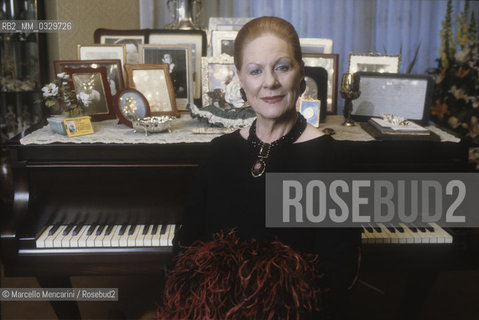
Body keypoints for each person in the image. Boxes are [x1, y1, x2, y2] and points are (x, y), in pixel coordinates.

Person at [161, 16, 361, 320]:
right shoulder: (219, 152)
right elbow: (186, 248)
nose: (270, 82)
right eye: (256, 71)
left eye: (282, 67)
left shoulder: (331, 160)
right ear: (240, 79)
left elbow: (338, 274)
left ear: (300, 74)